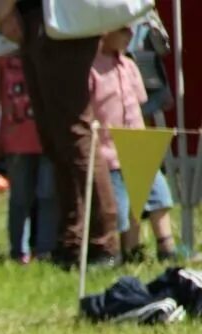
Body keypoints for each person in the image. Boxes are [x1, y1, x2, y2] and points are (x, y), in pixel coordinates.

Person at [0, 0, 119, 268]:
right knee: (56, 136)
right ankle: (73, 240)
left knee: (74, 134)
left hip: (59, 20)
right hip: (44, 18)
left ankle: (102, 243)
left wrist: (3, 8)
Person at [89, 26, 175, 261]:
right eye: (123, 31)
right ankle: (129, 251)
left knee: (160, 197)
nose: (129, 36)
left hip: (139, 149)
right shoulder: (92, 69)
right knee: (123, 209)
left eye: (130, 31)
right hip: (111, 153)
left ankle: (167, 247)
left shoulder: (129, 66)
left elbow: (139, 107)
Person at [0, 51, 54, 262]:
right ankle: (19, 251)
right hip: (16, 138)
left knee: (48, 195)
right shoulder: (4, 55)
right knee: (20, 197)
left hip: (49, 137)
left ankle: (46, 249)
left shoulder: (51, 49)